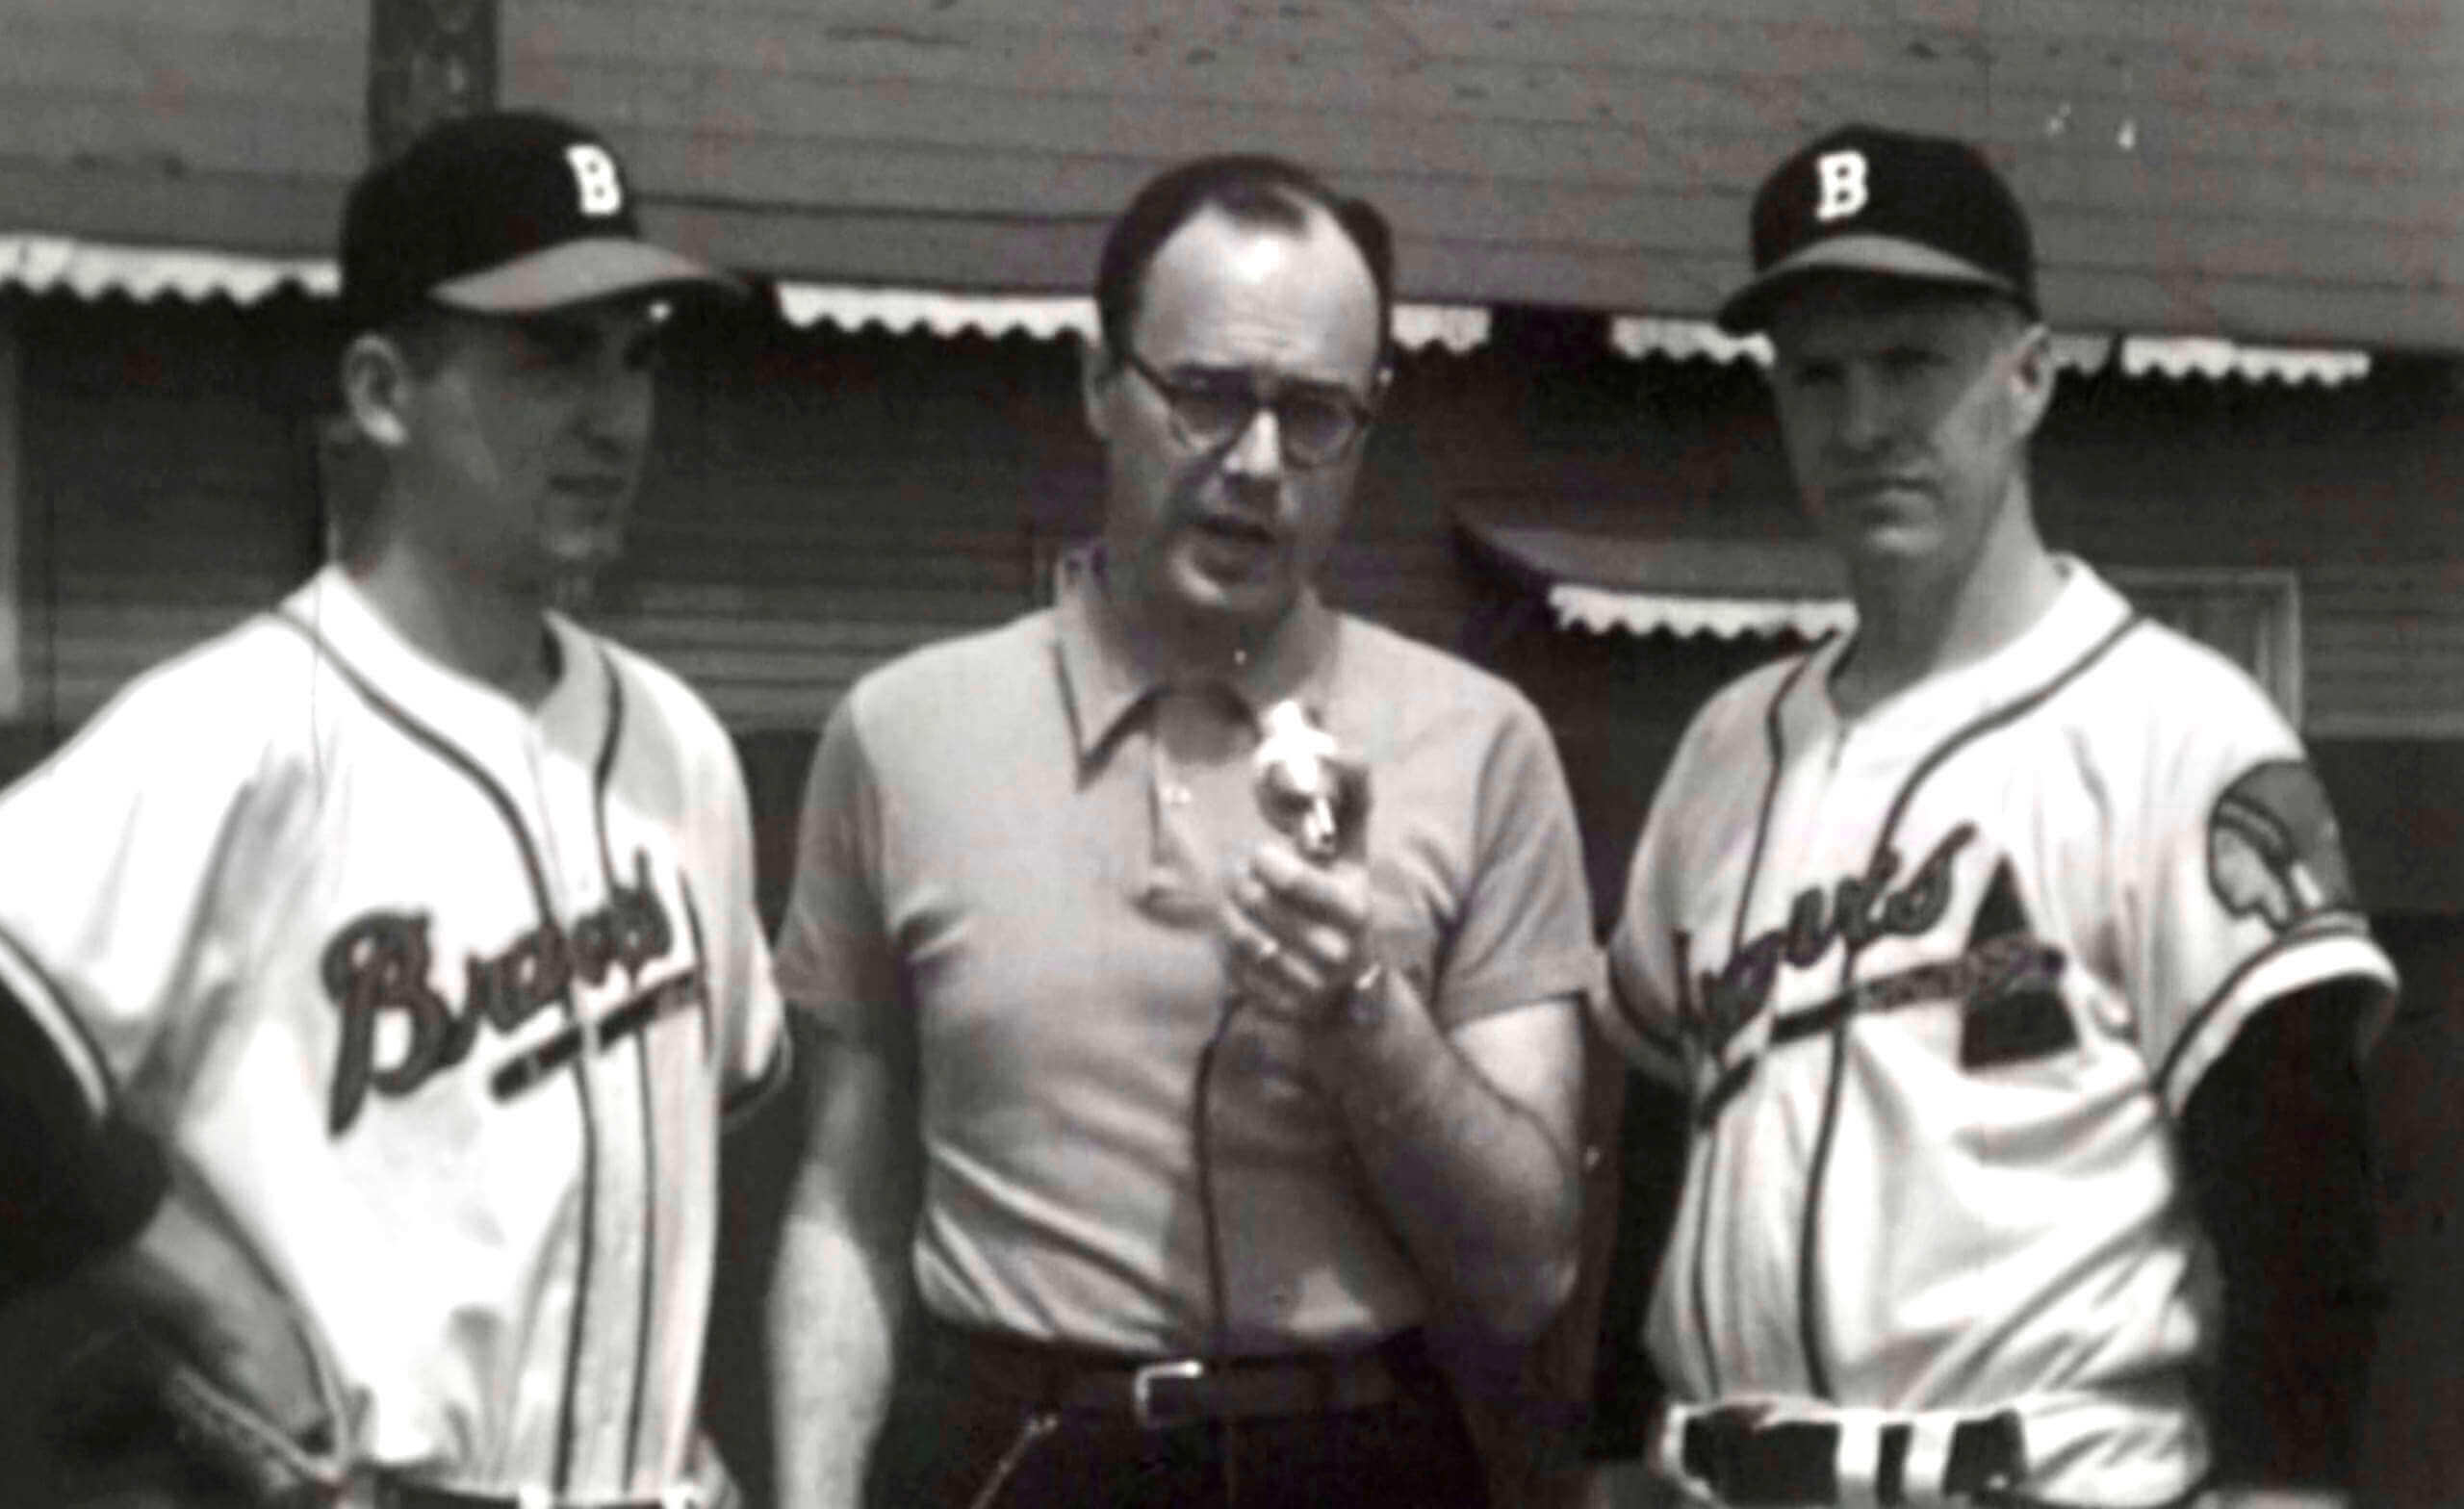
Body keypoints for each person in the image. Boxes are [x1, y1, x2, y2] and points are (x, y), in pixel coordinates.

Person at [765, 153, 1599, 1508]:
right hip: (1010, 1450)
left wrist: (1365, 1015)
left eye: (1317, 414)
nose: (1260, 466)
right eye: (1210, 396)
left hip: (1353, 1455)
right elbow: (841, 1205)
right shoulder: (901, 732)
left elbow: (1528, 1273)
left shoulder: (1481, 741)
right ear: (1102, 387)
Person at [1588, 124, 2398, 1509]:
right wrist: (1611, 1455)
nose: (1859, 426)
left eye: (1912, 364)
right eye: (1817, 377)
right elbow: (1663, 1164)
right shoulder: (1729, 748)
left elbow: (2308, 1225)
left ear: (2028, 379)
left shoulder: (2177, 734)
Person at [0, 110, 786, 1507]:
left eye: (640, 354)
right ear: (381, 391)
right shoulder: (235, 735)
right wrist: (206, 1292)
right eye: (551, 356)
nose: (616, 418)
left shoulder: (681, 749)